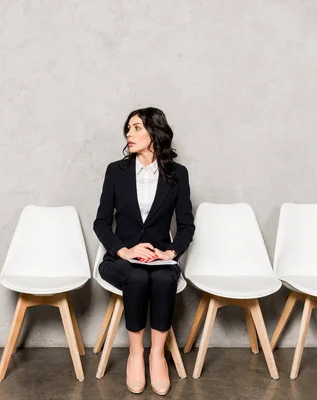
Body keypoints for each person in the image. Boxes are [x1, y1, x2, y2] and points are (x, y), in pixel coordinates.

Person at [93, 107, 195, 396]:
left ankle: (157, 355)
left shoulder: (177, 175)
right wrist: (122, 250)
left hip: (160, 260)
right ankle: (136, 354)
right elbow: (101, 221)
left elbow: (186, 225)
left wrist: (171, 253)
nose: (129, 133)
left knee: (163, 280)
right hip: (121, 258)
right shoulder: (116, 171)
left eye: (137, 127)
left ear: (155, 132)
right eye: (128, 128)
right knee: (137, 278)